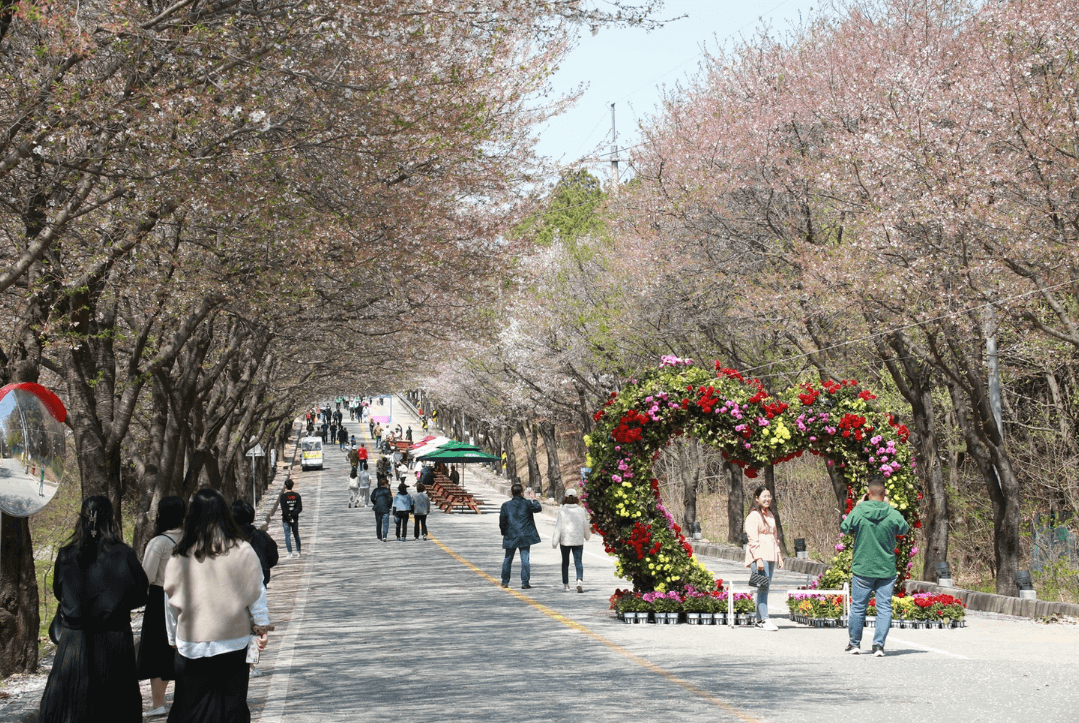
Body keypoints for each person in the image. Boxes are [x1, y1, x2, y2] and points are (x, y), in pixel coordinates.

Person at [163, 488, 269, 723]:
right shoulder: (242, 550)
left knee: (191, 710)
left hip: (190, 643)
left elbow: (170, 603)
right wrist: (262, 628)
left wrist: (172, 638)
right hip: (233, 640)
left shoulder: (179, 555)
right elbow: (257, 593)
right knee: (231, 708)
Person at [39, 496, 149, 723]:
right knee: (114, 707)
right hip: (114, 640)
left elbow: (60, 593)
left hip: (74, 641)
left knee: (72, 704)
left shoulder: (66, 554)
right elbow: (140, 594)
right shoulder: (123, 554)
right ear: (111, 520)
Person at [842, 475, 910, 656]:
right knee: (884, 607)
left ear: (868, 492)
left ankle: (854, 644)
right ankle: (878, 645)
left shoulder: (859, 510)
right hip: (886, 568)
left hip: (863, 566)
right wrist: (889, 506)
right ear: (884, 493)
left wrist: (858, 506)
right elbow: (904, 529)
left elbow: (845, 527)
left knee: (858, 606)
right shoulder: (892, 512)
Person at [138, 496, 185, 718]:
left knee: (157, 651)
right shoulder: (191, 539)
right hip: (189, 598)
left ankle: (158, 703)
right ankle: (184, 698)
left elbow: (145, 576)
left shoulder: (158, 543)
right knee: (183, 647)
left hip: (161, 598)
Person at [744, 485, 783, 631]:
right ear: (756, 498)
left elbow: (775, 537)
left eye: (769, 496)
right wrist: (758, 559)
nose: (767, 499)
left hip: (771, 554)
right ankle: (764, 619)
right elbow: (752, 539)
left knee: (764, 587)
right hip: (760, 556)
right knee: (763, 587)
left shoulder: (770, 514)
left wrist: (779, 555)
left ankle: (759, 619)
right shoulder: (754, 516)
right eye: (764, 496)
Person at [499, 483, 541, 589]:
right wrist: (534, 499)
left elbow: (502, 522)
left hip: (511, 535)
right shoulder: (527, 503)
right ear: (522, 493)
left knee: (508, 559)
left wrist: (504, 532)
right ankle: (525, 583)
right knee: (525, 559)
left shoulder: (506, 505)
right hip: (525, 536)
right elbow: (538, 508)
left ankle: (505, 581)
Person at [230, 499, 279, 587]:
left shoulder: (229, 540)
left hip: (236, 589)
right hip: (260, 586)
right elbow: (273, 558)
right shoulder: (262, 536)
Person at [551, 488, 591, 593]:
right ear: (576, 498)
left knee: (565, 562)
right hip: (578, 540)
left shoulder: (562, 510)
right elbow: (585, 525)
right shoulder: (581, 510)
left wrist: (555, 541)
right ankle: (579, 580)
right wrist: (587, 536)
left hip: (565, 540)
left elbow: (558, 526)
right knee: (578, 561)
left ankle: (566, 584)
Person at [279, 479, 303, 559]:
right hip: (295, 519)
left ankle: (290, 553)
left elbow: (284, 508)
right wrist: (293, 515)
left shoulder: (283, 496)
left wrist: (289, 517)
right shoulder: (297, 495)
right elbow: (299, 508)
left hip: (286, 519)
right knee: (296, 535)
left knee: (287, 535)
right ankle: (298, 552)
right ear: (292, 485)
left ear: (285, 486)